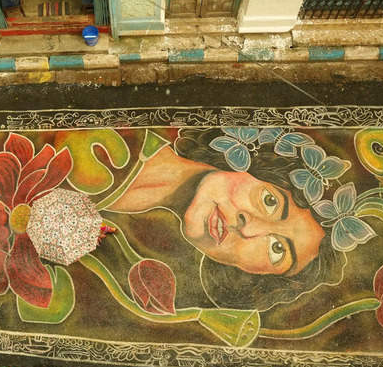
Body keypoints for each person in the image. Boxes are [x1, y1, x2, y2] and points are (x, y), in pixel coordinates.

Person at [102, 128, 345, 311]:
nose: (249, 227)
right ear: (255, 167)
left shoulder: (122, 252)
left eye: (277, 249)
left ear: (251, 273)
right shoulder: (121, 140)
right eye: (270, 201)